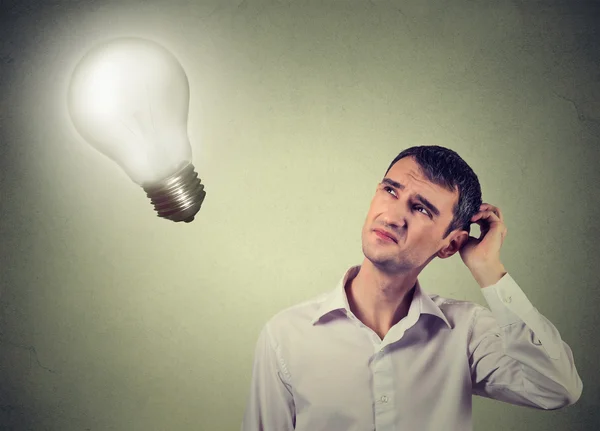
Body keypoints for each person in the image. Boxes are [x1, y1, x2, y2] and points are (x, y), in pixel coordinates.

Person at [240, 145, 583, 431]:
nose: (392, 216)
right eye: (390, 191)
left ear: (450, 245)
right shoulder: (285, 336)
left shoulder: (465, 333)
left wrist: (488, 268)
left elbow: (557, 388)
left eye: (420, 208)